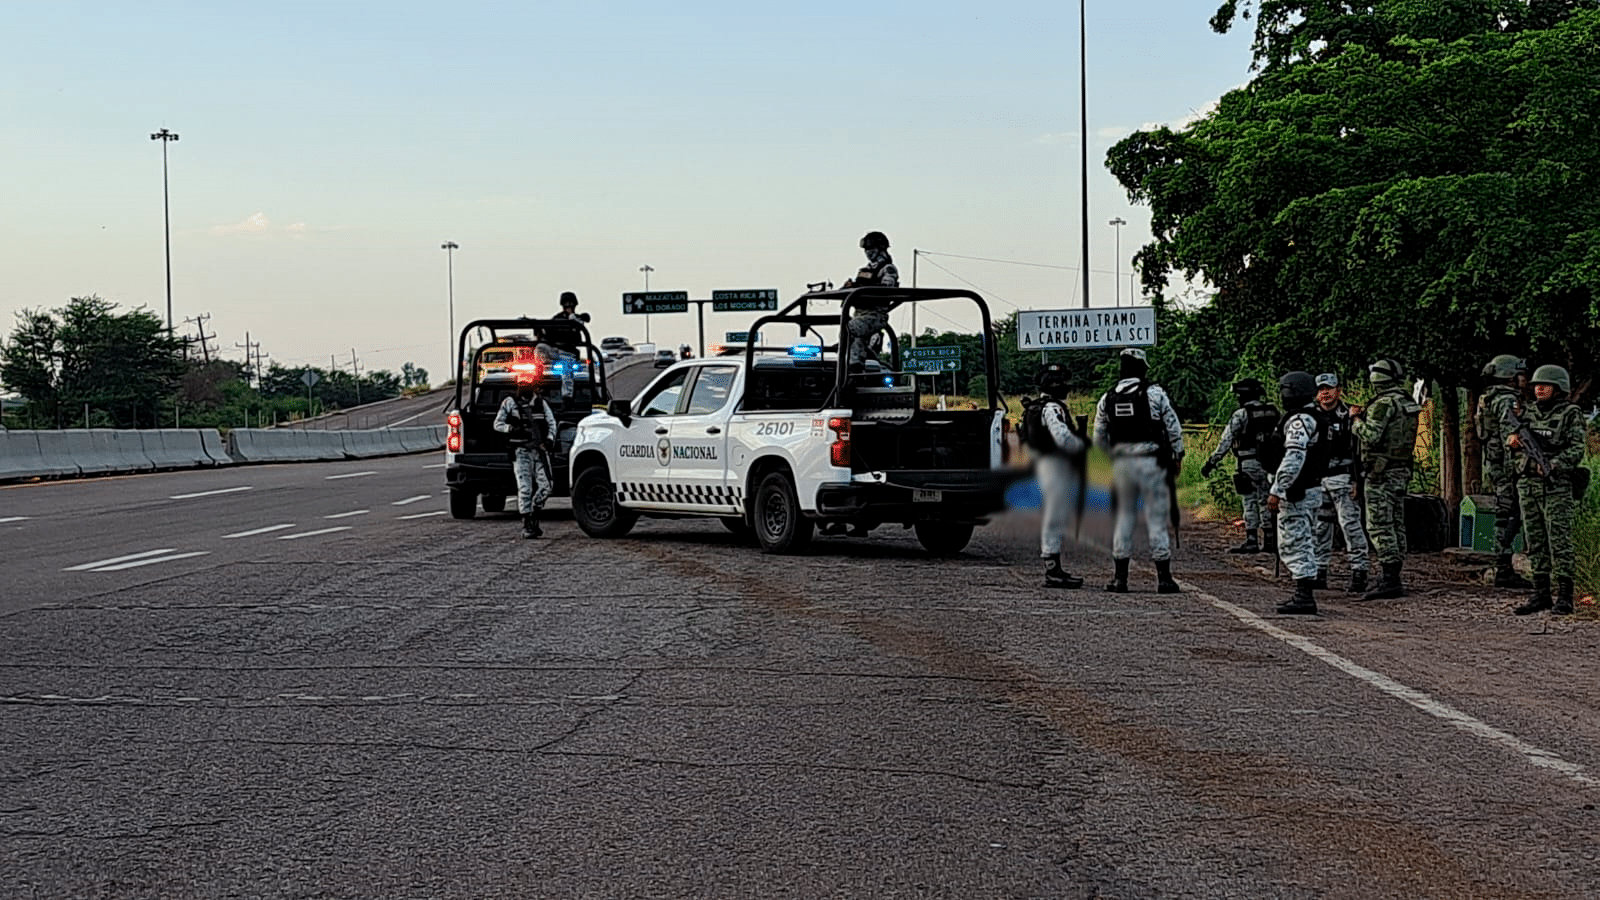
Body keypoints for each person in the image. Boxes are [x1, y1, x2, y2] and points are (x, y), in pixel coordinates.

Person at [1093, 347, 1184, 594]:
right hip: (1151, 463)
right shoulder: (1154, 393)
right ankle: (1164, 579)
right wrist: (1178, 456)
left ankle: (1120, 579)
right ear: (1142, 368)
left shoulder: (1107, 398)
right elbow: (1173, 428)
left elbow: (1099, 438)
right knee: (1156, 519)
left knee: (1123, 519)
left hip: (1121, 465)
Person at [1508, 365, 1588, 616]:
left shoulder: (1570, 414)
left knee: (1559, 539)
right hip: (1528, 483)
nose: (1540, 388)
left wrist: (1554, 465)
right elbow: (1514, 442)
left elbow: (1577, 448)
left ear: (1558, 388)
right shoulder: (1527, 413)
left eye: (1546, 385)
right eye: (1537, 385)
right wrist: (1511, 441)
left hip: (1556, 485)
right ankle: (1540, 593)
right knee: (1535, 539)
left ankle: (1564, 596)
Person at [1349, 358, 1421, 601]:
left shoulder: (1383, 404)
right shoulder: (1406, 400)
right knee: (1396, 521)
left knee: (1379, 524)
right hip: (1400, 469)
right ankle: (1393, 573)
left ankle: (1390, 578)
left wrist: (1356, 421)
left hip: (1380, 472)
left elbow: (1371, 436)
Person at [1268, 372, 1330, 614]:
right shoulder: (1314, 416)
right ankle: (1303, 592)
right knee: (1305, 540)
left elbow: (1294, 457)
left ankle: (1304, 596)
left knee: (1295, 542)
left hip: (1297, 492)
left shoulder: (1299, 421)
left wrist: (1277, 490)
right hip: (1310, 488)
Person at [1474, 354, 1534, 589]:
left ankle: (1502, 566)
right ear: (1509, 375)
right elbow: (1512, 437)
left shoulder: (1488, 399)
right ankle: (1503, 566)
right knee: (1510, 514)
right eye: (1519, 374)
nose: (1524, 379)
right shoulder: (1507, 400)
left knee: (1505, 513)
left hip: (1496, 464)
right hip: (1508, 466)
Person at [1200, 378, 1280, 555]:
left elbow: (1226, 441)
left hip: (1248, 463)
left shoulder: (1242, 414)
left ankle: (1252, 540)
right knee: (1266, 499)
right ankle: (1270, 541)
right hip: (1271, 465)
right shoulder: (1273, 412)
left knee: (1250, 500)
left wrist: (1211, 463)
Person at [1311, 373, 1372, 593]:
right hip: (1319, 480)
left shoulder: (1350, 415)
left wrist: (1357, 479)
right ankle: (1319, 570)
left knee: (1350, 525)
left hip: (1343, 478)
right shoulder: (1311, 416)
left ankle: (1359, 572)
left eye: (1329, 388)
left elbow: (1359, 451)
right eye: (1321, 389)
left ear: (1338, 390)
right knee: (1320, 527)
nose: (1325, 393)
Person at [1034, 363, 1090, 589]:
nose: (1066, 387)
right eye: (1061, 383)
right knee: (1054, 517)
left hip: (1045, 465)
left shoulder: (1040, 406)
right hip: (1054, 466)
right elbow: (1063, 439)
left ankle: (1053, 567)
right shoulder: (1052, 409)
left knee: (1055, 516)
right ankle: (1052, 569)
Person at [494, 374, 558, 539]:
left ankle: (535, 513)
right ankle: (528, 523)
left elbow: (551, 424)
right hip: (521, 451)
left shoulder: (540, 403)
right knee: (525, 489)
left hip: (540, 450)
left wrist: (550, 440)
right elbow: (497, 424)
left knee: (547, 487)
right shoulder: (510, 403)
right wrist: (511, 429)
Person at [842, 231, 899, 372]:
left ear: (881, 249)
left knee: (849, 329)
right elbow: (856, 287)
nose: (868, 253)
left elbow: (887, 288)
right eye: (866, 250)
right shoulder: (864, 270)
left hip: (874, 315)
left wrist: (862, 288)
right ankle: (853, 368)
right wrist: (850, 286)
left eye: (871, 250)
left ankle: (855, 364)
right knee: (855, 340)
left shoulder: (888, 269)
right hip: (860, 313)